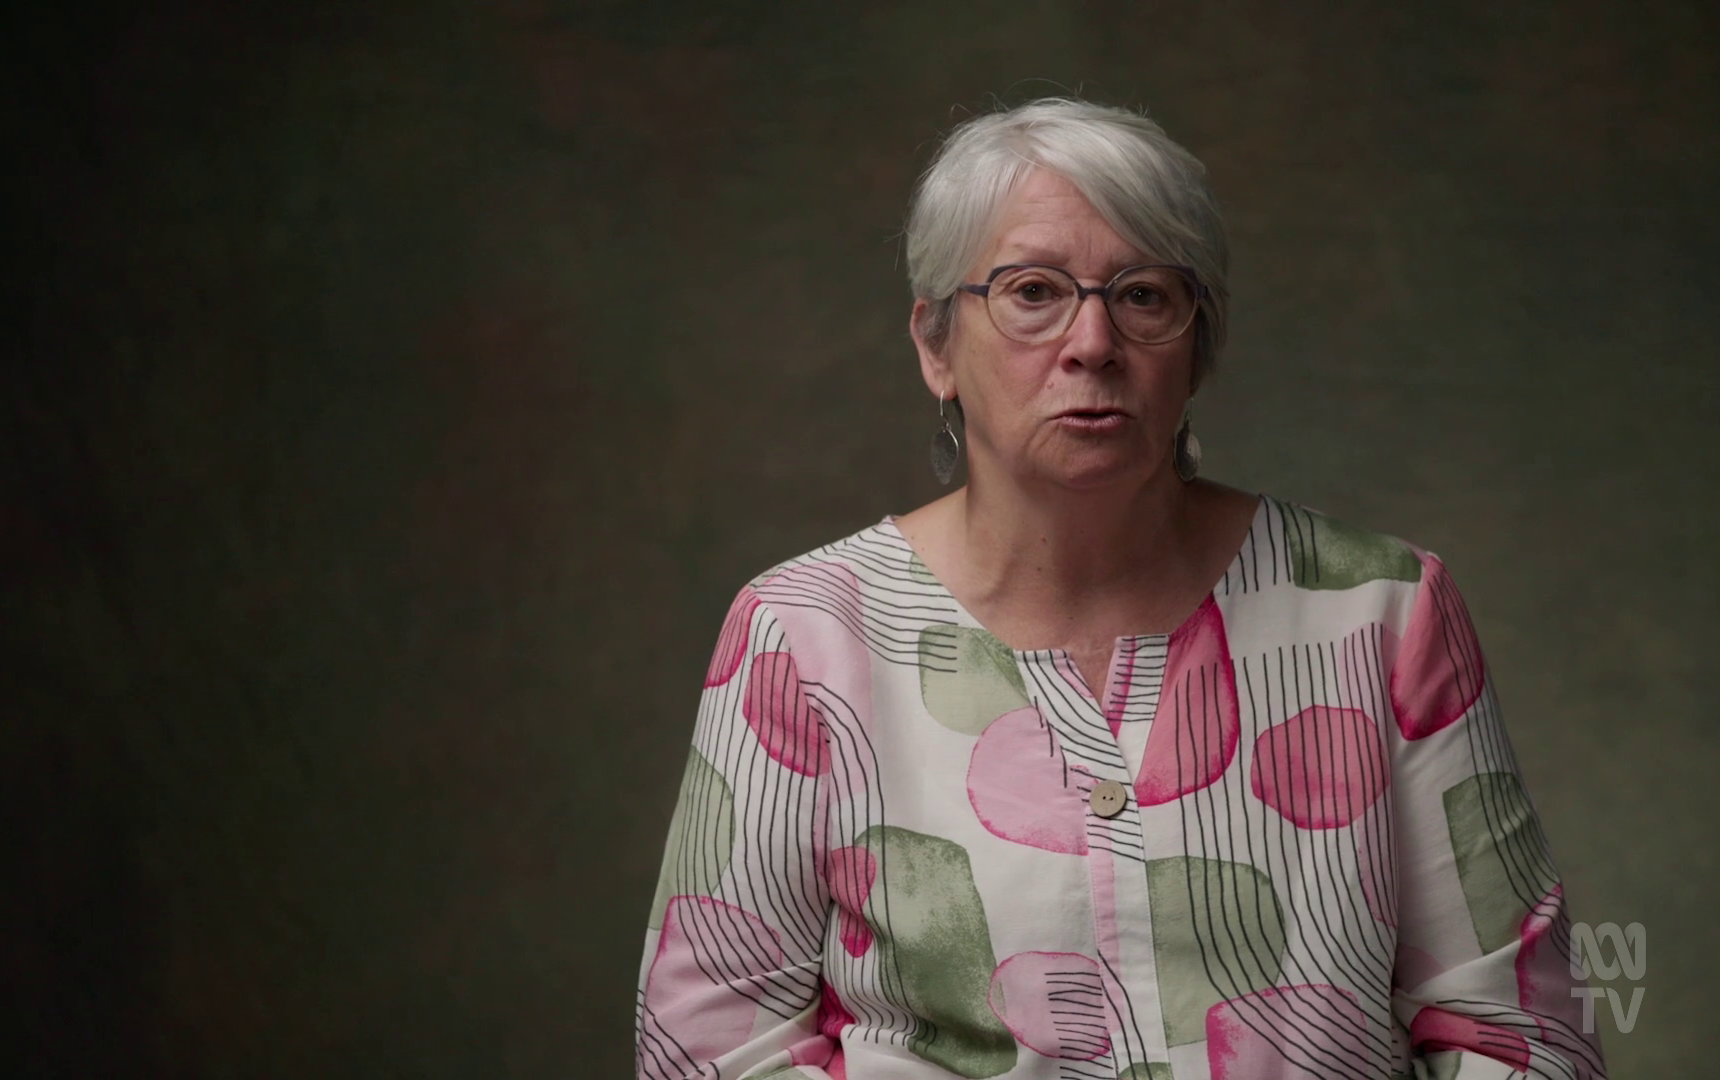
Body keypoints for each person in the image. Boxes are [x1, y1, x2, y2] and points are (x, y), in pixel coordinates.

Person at [633, 97, 1605, 1080]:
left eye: (1142, 296)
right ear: (936, 345)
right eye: (1033, 291)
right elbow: (714, 1052)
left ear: (1197, 346)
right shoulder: (805, 634)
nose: (1092, 341)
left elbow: (1522, 1037)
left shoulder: (1381, 611)